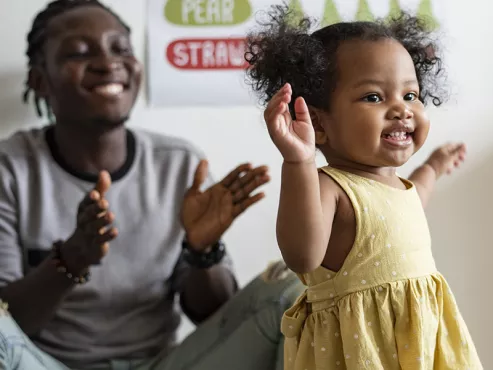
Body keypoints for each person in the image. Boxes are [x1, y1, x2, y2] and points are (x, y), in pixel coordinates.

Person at [0, 1, 304, 369]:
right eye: (80, 53)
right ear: (40, 80)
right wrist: (70, 259)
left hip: (164, 364)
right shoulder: (10, 169)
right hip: (43, 363)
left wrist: (201, 250)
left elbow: (217, 317)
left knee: (291, 290)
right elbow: (11, 322)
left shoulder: (179, 164)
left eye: (121, 49)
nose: (108, 63)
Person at [245, 6, 482, 370]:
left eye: (410, 95)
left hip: (419, 348)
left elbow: (414, 199)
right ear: (319, 124)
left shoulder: (395, 185)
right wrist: (299, 162)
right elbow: (302, 255)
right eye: (374, 97)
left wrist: (434, 166)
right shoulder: (331, 187)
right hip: (362, 353)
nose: (401, 110)